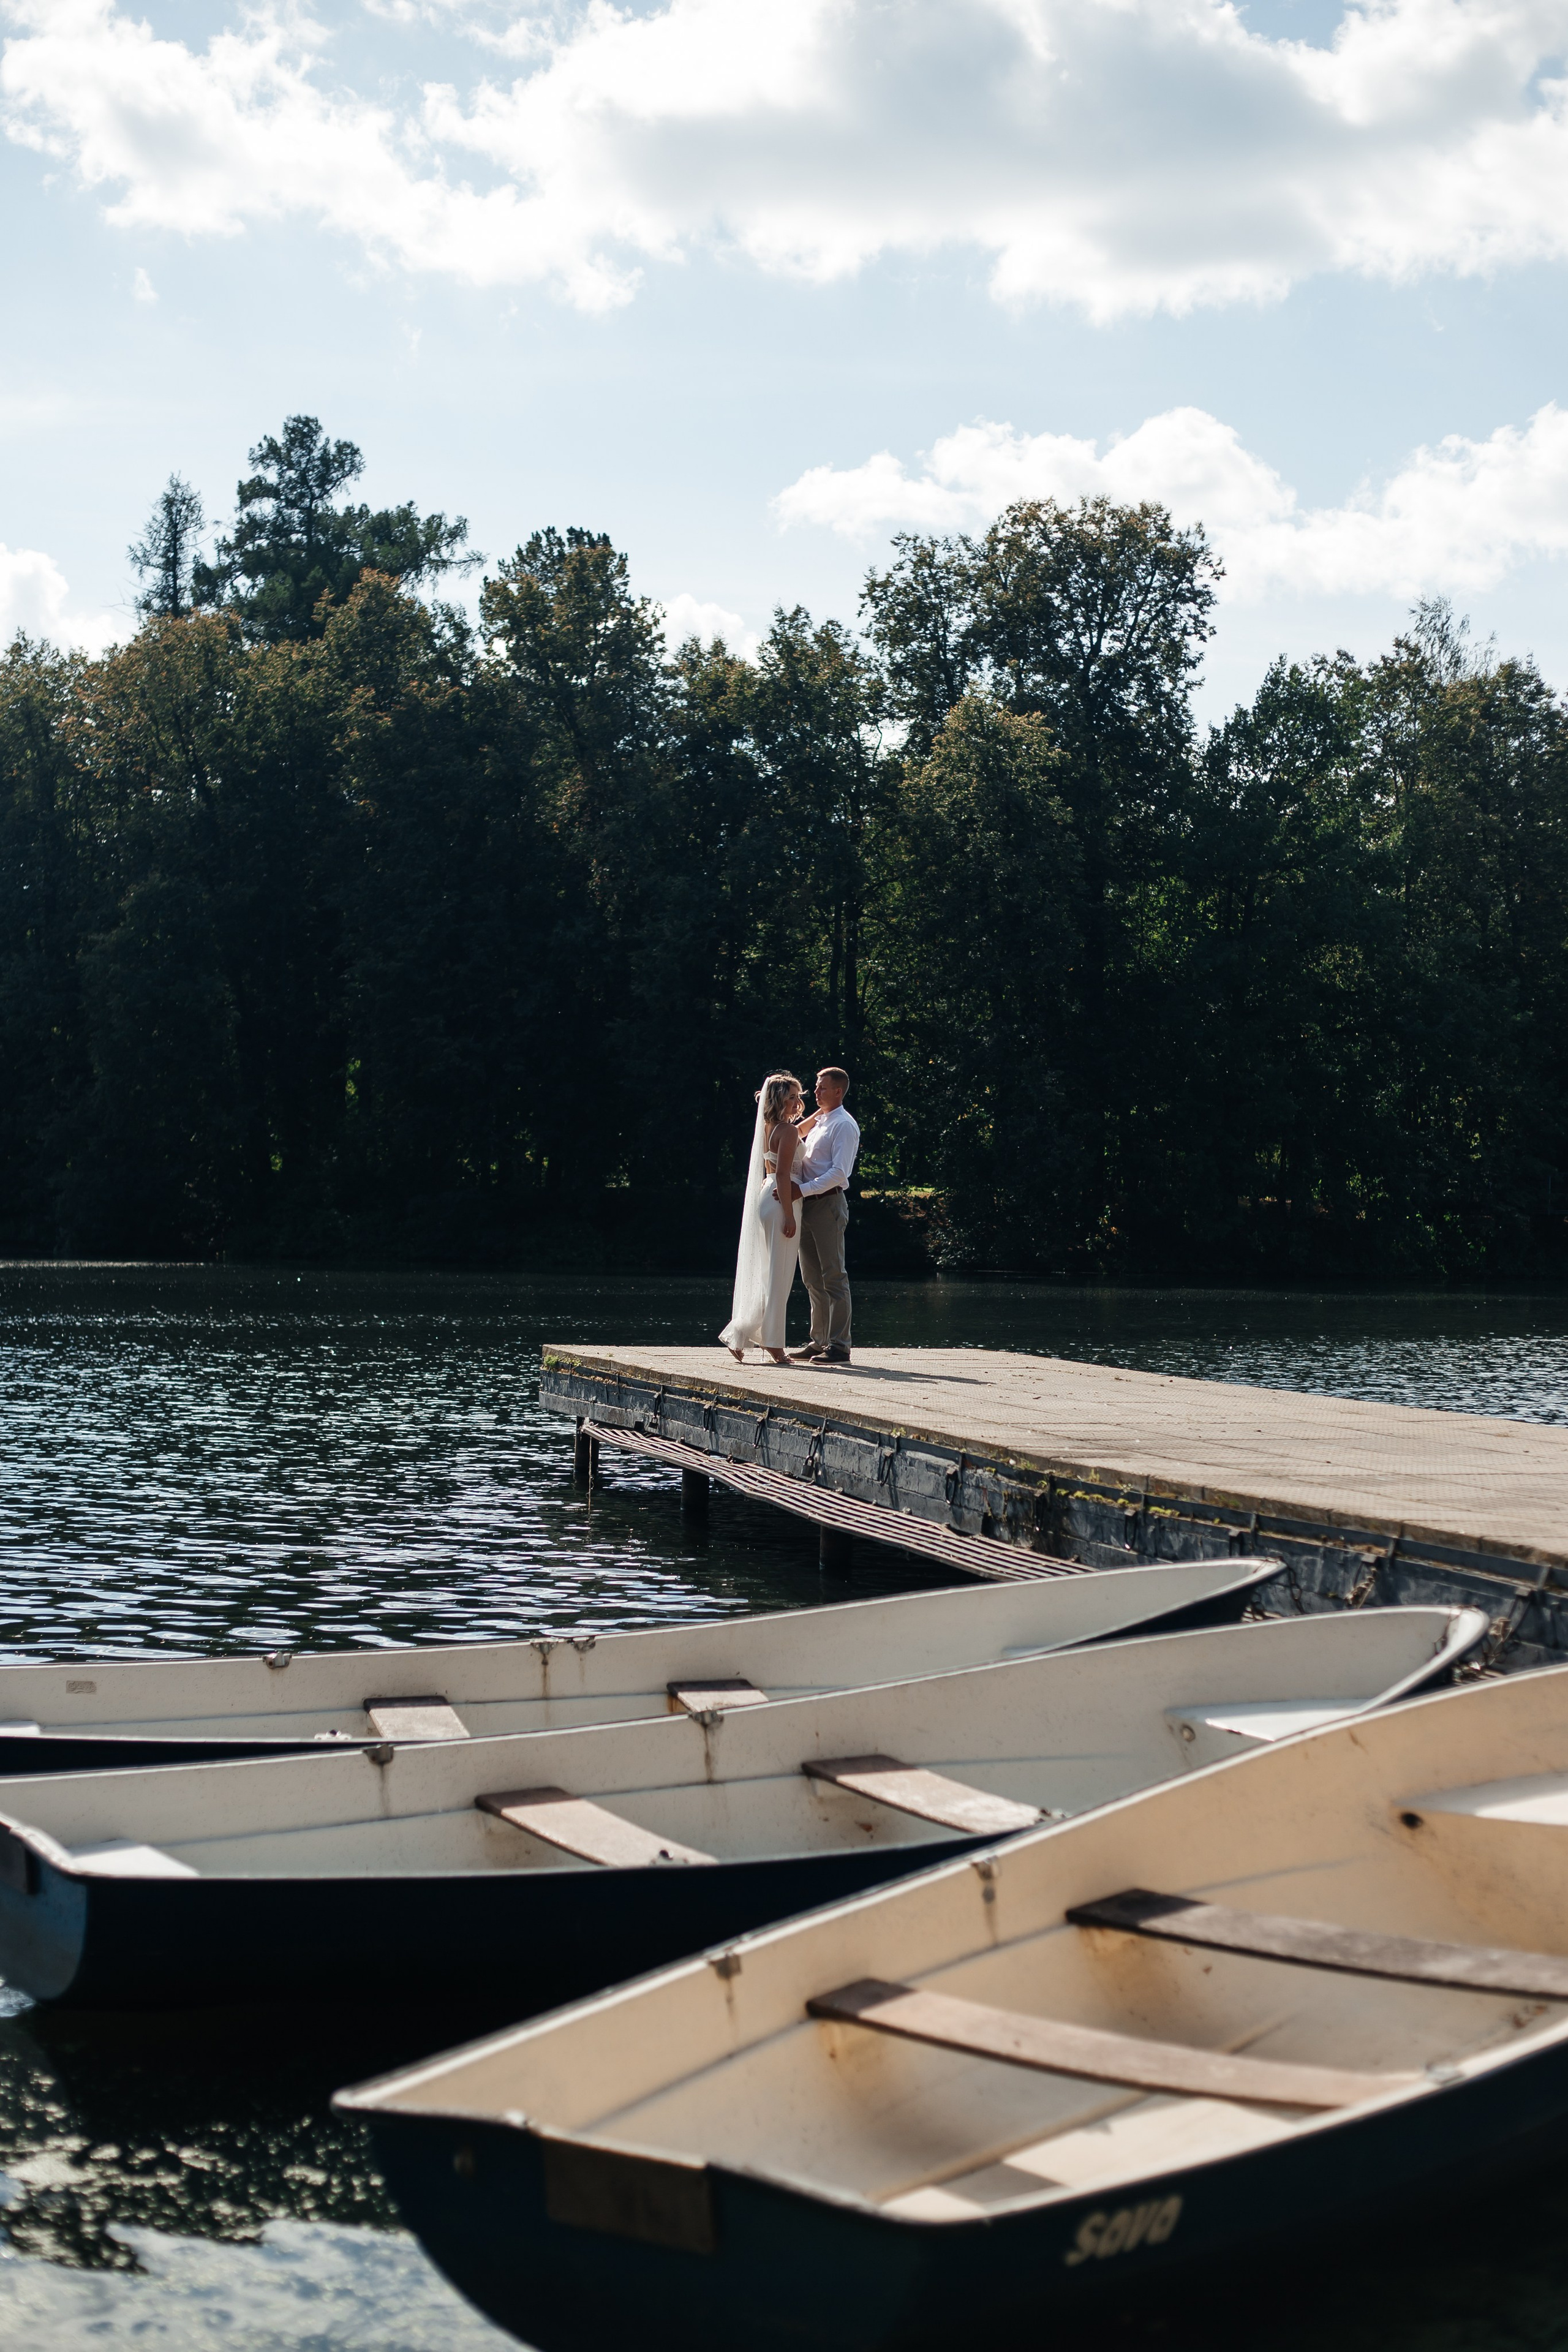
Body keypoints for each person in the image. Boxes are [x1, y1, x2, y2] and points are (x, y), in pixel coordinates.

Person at [718, 1072, 805, 1364]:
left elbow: (785, 1153)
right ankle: (774, 1346)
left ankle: (741, 1332)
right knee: (778, 1276)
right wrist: (790, 1215)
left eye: (798, 1096)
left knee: (770, 1273)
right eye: (792, 1096)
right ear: (779, 1099)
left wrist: (819, 1116)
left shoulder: (770, 1127)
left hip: (766, 1195)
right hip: (781, 1198)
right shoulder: (788, 1132)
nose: (798, 1101)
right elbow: (784, 1174)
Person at [788, 1066, 859, 1365]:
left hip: (827, 1204)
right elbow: (792, 1133)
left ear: (838, 1091)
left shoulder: (843, 1125)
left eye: (821, 1088)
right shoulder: (820, 1120)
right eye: (816, 1086)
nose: (814, 1092)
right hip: (807, 1204)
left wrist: (800, 1190)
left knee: (834, 1276)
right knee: (812, 1278)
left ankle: (840, 1346)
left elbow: (839, 1173)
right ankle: (819, 1341)